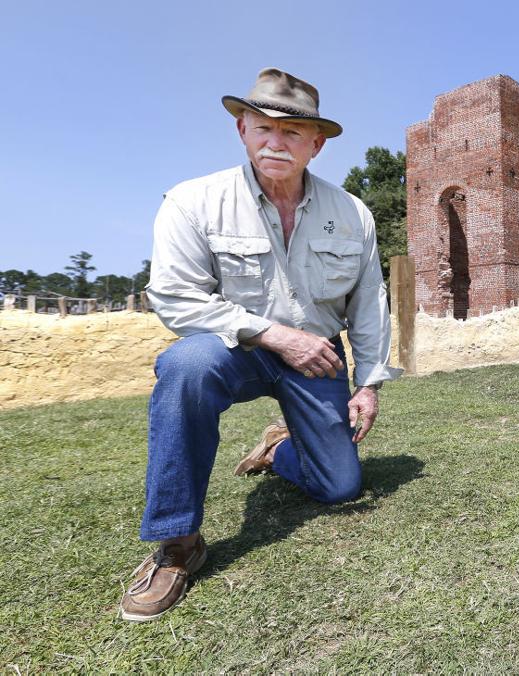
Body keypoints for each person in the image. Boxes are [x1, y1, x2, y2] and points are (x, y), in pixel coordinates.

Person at [119, 68, 401, 622]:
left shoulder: (353, 214)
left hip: (317, 356)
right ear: (242, 130)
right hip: (233, 348)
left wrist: (368, 384)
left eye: (293, 132)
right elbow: (173, 297)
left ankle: (279, 449)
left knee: (341, 487)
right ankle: (178, 543)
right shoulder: (193, 201)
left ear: (316, 144)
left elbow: (369, 302)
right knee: (185, 366)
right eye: (263, 127)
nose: (277, 141)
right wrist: (271, 333)